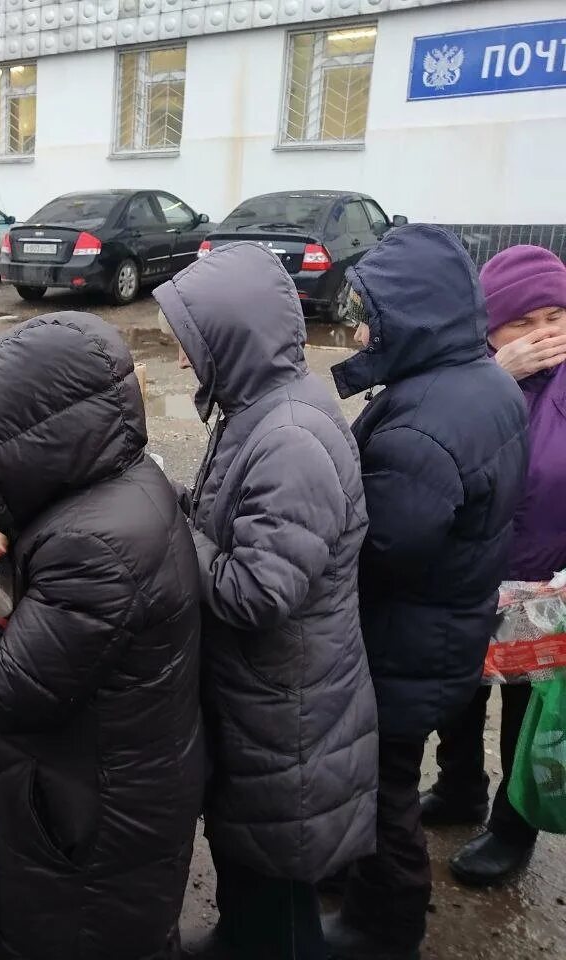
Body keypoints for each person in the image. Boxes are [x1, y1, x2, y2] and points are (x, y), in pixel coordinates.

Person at [0, 312, 205, 960]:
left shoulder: (94, 544)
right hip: (120, 793)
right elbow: (52, 597)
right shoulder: (125, 483)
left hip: (90, 823)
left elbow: (9, 686)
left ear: (33, 437)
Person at [153, 243, 378, 960]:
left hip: (290, 712)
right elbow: (228, 523)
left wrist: (165, 531)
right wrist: (171, 499)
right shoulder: (260, 406)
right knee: (255, 863)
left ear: (231, 335)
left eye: (192, 342)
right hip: (271, 698)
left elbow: (256, 591)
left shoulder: (288, 440)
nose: (184, 361)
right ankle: (238, 935)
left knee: (281, 888)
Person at [319, 225, 529, 959]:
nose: (359, 327)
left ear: (413, 315)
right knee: (386, 779)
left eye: (371, 311)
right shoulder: (481, 378)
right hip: (443, 626)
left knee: (383, 789)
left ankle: (385, 927)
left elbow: (381, 548)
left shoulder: (426, 424)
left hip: (403, 641)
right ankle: (358, 880)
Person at [422, 244, 566, 886]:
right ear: (490, 329)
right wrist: (494, 377)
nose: (544, 335)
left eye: (557, 316)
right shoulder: (467, 375)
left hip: (545, 584)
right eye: (524, 321)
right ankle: (459, 789)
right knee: (458, 689)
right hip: (468, 573)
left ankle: (513, 824)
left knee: (523, 708)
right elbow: (431, 450)